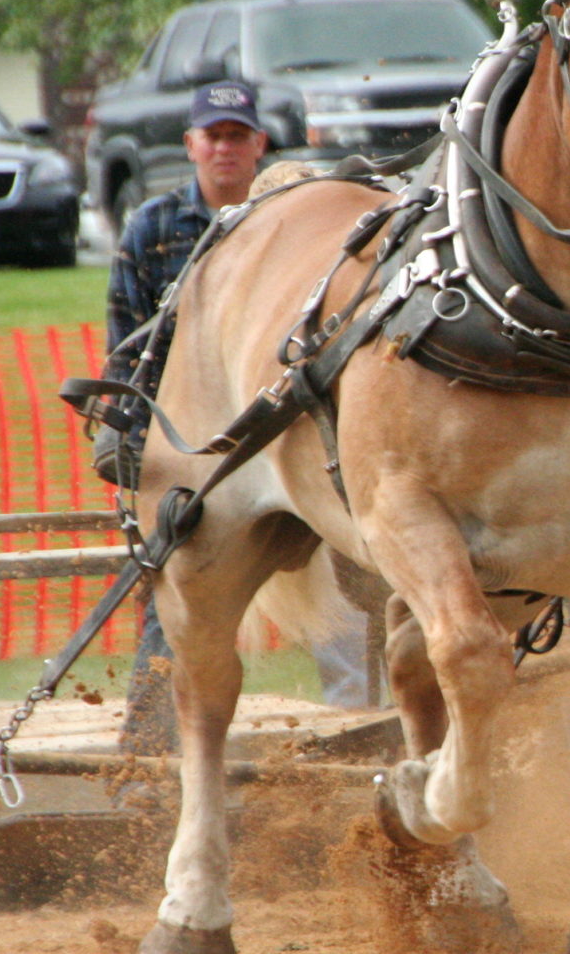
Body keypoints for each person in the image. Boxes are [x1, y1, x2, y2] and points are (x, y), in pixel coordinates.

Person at [97, 80, 368, 760]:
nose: (224, 148)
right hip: (196, 442)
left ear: (259, 145)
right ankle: (147, 758)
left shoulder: (304, 229)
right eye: (212, 136)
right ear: (191, 145)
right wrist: (135, 443)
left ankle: (362, 743)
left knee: (357, 586)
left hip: (304, 433)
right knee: (180, 572)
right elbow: (128, 346)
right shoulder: (155, 228)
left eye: (237, 136)